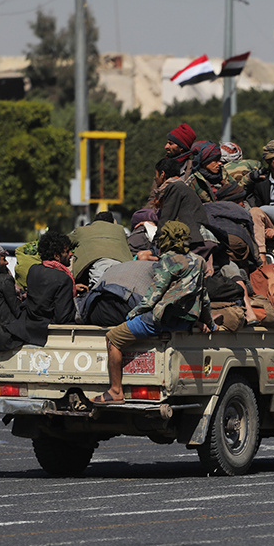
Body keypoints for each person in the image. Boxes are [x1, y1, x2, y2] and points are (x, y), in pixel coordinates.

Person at [95, 221, 215, 404]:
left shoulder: (167, 260)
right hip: (185, 320)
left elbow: (154, 295)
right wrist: (210, 323)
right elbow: (204, 296)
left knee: (113, 337)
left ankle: (115, 391)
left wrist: (133, 314)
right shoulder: (199, 262)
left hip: (163, 318)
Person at [5, 231, 82, 347]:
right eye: (67, 251)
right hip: (46, 334)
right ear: (57, 256)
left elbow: (46, 292)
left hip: (29, 329)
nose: (71, 254)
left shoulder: (33, 270)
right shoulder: (64, 279)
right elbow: (63, 317)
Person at [153, 157, 217, 262]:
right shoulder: (182, 186)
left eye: (156, 174)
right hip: (203, 239)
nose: (155, 178)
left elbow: (166, 218)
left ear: (162, 174)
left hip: (195, 241)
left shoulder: (174, 187)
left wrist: (155, 245)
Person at [69, 211, 133, 288]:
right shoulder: (120, 229)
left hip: (98, 266)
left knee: (97, 291)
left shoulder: (81, 230)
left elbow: (64, 242)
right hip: (123, 266)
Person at [146, 123, 197, 207]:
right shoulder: (163, 167)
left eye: (171, 143)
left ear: (181, 147)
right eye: (167, 143)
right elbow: (153, 198)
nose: (166, 146)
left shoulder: (193, 169)